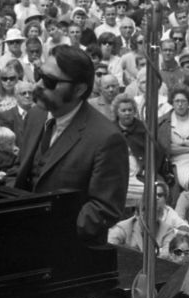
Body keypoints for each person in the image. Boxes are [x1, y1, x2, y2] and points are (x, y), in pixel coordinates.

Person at [14, 45, 129, 243]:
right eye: (39, 75)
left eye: (50, 81)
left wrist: (46, 228)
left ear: (79, 89)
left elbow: (105, 209)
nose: (38, 85)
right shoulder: (35, 115)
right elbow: (20, 171)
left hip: (69, 251)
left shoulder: (106, 138)